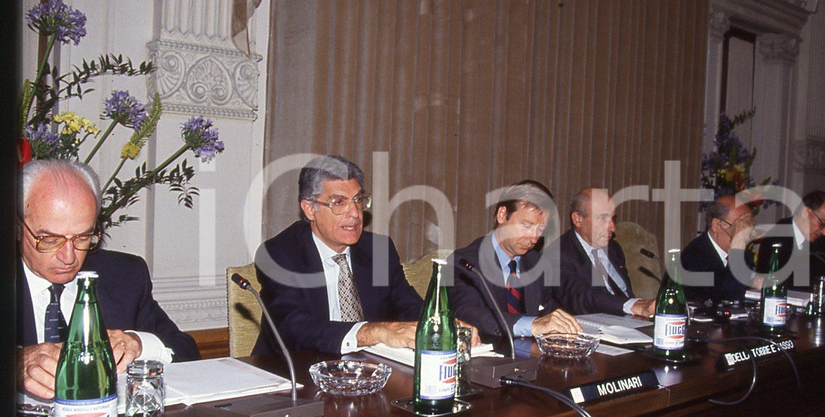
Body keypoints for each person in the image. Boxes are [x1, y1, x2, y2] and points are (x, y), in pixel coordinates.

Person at [17, 160, 200, 400]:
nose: (68, 257)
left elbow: (187, 352)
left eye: (83, 238)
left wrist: (139, 343)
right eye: (50, 240)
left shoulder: (123, 275)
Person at [253, 154, 426, 355]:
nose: (355, 213)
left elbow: (410, 307)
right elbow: (295, 328)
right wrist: (371, 332)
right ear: (310, 209)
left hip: (368, 367)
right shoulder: (279, 254)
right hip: (293, 366)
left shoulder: (378, 250)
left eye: (358, 200)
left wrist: (442, 325)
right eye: (339, 202)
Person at [449, 181, 581, 343]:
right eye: (526, 226)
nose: (534, 238)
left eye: (540, 230)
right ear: (502, 215)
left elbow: (549, 309)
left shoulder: (536, 263)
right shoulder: (465, 262)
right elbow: (467, 312)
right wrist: (531, 325)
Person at [554, 188, 655, 317]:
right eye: (603, 219)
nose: (612, 228)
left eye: (613, 219)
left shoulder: (614, 248)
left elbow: (626, 293)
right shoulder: (558, 254)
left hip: (632, 321)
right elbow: (583, 298)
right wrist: (634, 306)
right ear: (578, 219)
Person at [749, 189, 825, 291]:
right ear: (805, 212)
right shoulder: (778, 237)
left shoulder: (817, 244)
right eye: (823, 224)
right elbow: (778, 282)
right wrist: (824, 288)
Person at [680, 195, 758, 304]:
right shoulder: (693, 258)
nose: (746, 236)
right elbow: (728, 298)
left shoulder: (745, 253)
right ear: (716, 225)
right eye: (739, 229)